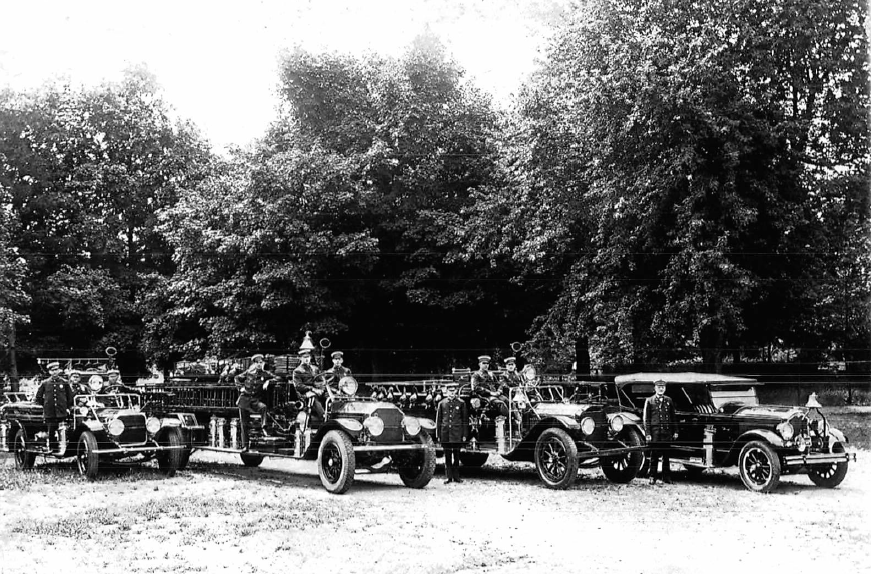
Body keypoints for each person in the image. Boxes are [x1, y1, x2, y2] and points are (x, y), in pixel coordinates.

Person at [234, 354, 276, 446]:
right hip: (244, 400)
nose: (259, 364)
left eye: (260, 362)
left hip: (254, 401)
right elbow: (236, 378)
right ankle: (245, 446)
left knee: (263, 407)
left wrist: (268, 381)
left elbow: (277, 377)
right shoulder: (249, 372)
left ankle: (264, 426)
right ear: (254, 364)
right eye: (257, 362)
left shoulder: (265, 374)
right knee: (244, 425)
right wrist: (240, 387)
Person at [643, 379, 678, 484]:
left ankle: (666, 477)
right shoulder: (649, 401)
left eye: (663, 387)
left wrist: (675, 431)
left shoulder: (669, 400)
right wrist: (648, 433)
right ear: (655, 388)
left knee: (666, 456)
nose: (661, 389)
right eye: (659, 387)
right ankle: (652, 477)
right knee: (654, 456)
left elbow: (673, 417)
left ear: (665, 388)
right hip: (655, 433)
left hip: (666, 433)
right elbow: (646, 419)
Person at [34, 362, 74, 450]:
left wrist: (67, 407)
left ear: (59, 370)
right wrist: (45, 405)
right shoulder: (45, 383)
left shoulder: (64, 382)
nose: (55, 372)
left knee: (64, 429)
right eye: (53, 370)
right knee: (51, 430)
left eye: (56, 370)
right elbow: (38, 397)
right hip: (50, 412)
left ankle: (64, 446)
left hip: (61, 411)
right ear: (49, 372)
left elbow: (70, 397)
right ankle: (52, 448)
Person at [436, 384, 468, 484]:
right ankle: (448, 477)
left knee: (457, 456)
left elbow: (464, 420)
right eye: (450, 391)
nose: (452, 393)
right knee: (447, 456)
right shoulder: (442, 403)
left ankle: (457, 477)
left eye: (453, 391)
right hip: (445, 433)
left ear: (456, 392)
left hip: (457, 434)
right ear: (446, 392)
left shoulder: (461, 403)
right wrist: (438, 435)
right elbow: (439, 420)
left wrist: (464, 435)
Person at [292, 349, 325, 419]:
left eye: (308, 357)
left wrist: (321, 389)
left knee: (329, 396)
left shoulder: (315, 369)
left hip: (318, 391)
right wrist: (312, 389)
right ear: (300, 358)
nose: (307, 359)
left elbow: (322, 381)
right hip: (304, 393)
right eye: (304, 357)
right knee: (313, 397)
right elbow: (298, 386)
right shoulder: (297, 371)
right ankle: (324, 416)